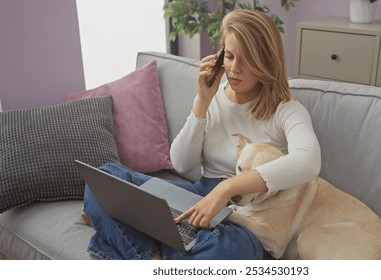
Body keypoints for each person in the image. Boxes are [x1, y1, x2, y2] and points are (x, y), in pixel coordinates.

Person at [82, 9, 321, 260]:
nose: (235, 68)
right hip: (197, 195)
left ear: (266, 61)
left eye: (247, 59)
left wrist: (227, 188)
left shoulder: (287, 110)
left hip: (248, 214)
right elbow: (181, 163)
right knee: (103, 178)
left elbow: (308, 160)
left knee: (233, 249)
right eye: (229, 56)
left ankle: (127, 236)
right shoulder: (213, 98)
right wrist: (202, 102)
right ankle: (151, 257)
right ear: (219, 57)